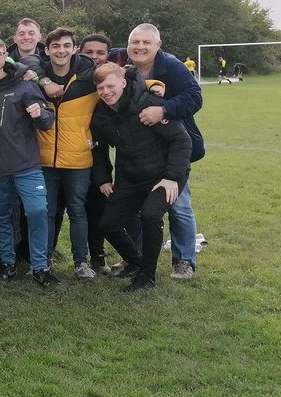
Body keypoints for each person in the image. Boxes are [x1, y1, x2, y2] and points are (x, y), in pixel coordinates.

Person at [90, 63, 192, 292]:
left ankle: (148, 276)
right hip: (130, 175)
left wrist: (171, 177)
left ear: (124, 83)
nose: (106, 92)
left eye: (110, 86)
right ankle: (136, 263)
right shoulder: (101, 114)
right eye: (100, 88)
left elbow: (182, 141)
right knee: (108, 224)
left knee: (150, 215)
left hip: (163, 176)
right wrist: (104, 179)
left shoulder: (149, 104)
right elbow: (98, 150)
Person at [122, 23, 205, 280]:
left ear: (158, 45)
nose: (140, 47)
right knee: (137, 207)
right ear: (127, 46)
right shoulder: (123, 66)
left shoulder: (173, 67)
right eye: (135, 42)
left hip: (172, 148)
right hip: (139, 151)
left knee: (178, 204)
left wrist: (164, 110)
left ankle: (183, 260)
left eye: (147, 42)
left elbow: (195, 97)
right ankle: (135, 259)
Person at [0, 39, 58, 287]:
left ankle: (40, 267)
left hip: (26, 164)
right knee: (0, 216)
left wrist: (40, 114)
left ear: (6, 57)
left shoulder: (23, 85)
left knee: (37, 211)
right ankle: (6, 264)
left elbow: (47, 120)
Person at [34, 28, 98, 280]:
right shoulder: (36, 75)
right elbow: (17, 65)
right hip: (45, 159)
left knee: (77, 212)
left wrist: (155, 84)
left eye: (66, 46)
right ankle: (45, 259)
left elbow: (119, 77)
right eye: (56, 46)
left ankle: (81, 262)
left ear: (74, 49)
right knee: (47, 212)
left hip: (78, 159)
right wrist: (43, 81)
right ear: (47, 50)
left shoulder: (88, 78)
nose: (61, 51)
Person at [78, 33, 117, 275]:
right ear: (79, 52)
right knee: (66, 207)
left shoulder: (113, 79)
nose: (94, 57)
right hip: (71, 152)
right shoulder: (75, 78)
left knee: (97, 204)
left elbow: (130, 76)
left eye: (100, 52)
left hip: (98, 153)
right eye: (89, 52)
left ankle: (97, 255)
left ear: (107, 56)